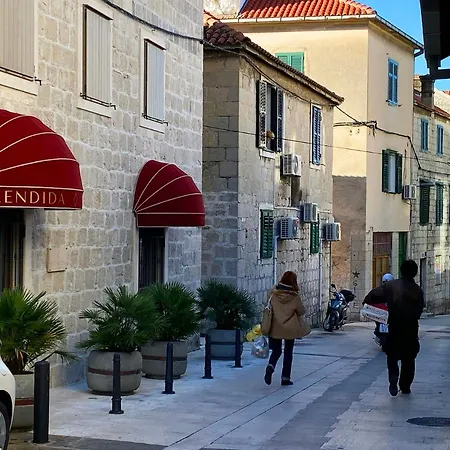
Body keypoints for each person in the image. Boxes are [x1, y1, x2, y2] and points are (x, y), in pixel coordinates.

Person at [363, 260, 424, 397]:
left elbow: (372, 296)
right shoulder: (418, 290)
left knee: (392, 356)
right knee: (409, 359)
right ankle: (405, 386)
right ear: (415, 273)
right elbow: (419, 311)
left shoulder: (390, 286)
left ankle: (393, 377)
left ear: (401, 271)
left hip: (394, 327)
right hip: (410, 329)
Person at [264, 271, 308, 386]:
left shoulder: (273, 294)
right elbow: (301, 311)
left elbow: (268, 305)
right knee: (288, 352)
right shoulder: (294, 296)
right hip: (290, 328)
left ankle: (271, 366)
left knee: (276, 350)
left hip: (275, 327)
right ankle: (285, 378)